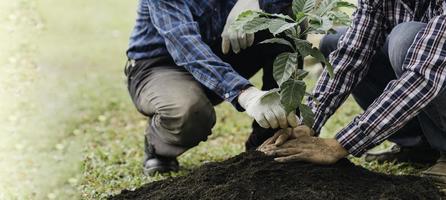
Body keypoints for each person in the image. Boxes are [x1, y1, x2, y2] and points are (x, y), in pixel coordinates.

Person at [260, 0, 446, 184]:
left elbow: (422, 76)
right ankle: (418, 145)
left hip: (427, 70)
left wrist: (340, 144)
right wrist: (308, 122)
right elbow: (352, 54)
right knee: (334, 41)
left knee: (405, 39)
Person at [125, 0, 299, 175]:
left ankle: (269, 139)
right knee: (189, 112)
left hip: (221, 50)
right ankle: (159, 145)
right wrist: (245, 93)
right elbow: (186, 46)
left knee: (286, 19)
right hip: (162, 65)